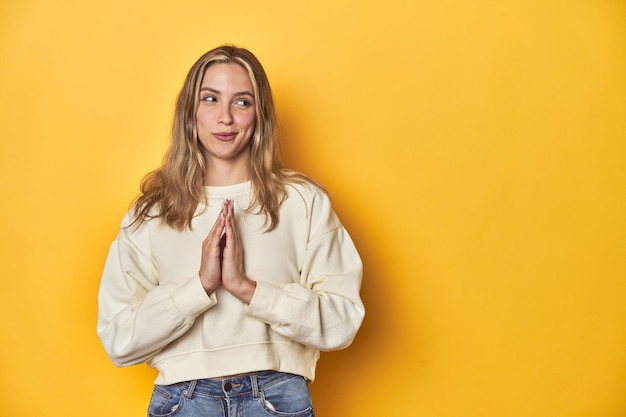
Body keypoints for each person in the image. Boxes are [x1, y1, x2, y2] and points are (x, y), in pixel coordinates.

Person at [97, 45, 364, 417]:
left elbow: (343, 321)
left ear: (260, 115)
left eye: (242, 102)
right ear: (190, 113)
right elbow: (118, 339)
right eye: (210, 99)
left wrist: (245, 288)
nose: (225, 118)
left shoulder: (302, 202)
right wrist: (200, 287)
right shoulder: (153, 213)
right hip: (183, 401)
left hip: (277, 397)